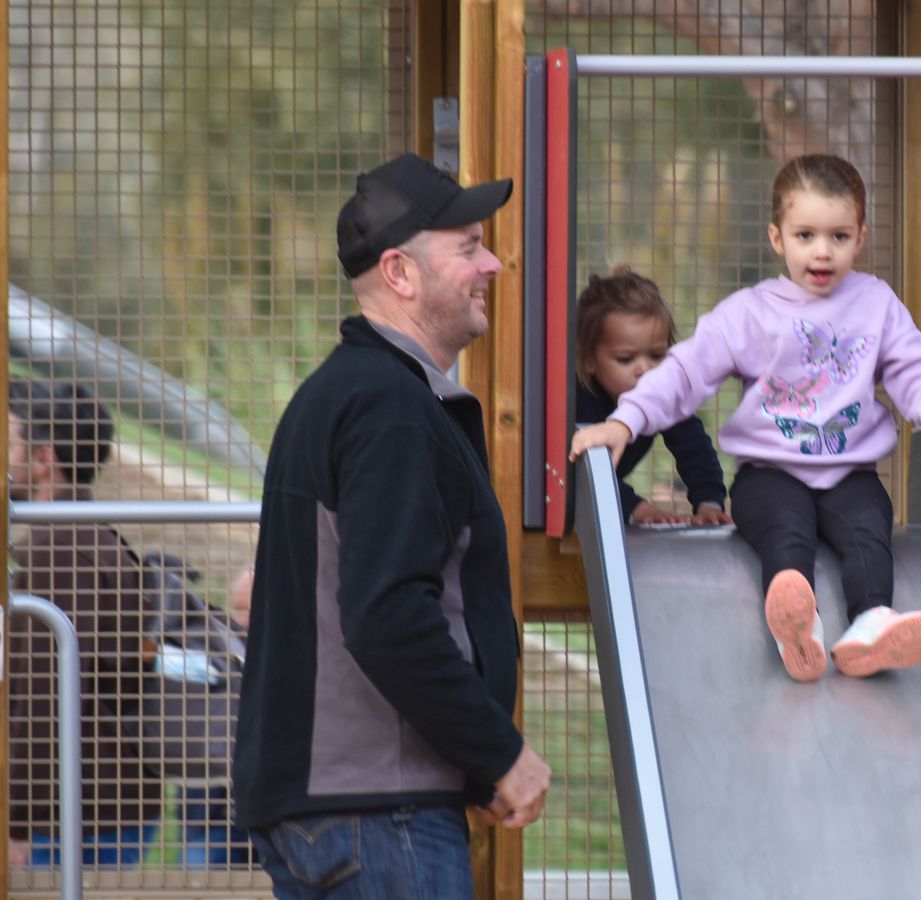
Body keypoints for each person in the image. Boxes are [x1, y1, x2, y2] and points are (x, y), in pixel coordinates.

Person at [232, 152, 551, 899]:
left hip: (336, 812)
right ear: (401, 273)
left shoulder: (342, 393)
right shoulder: (390, 409)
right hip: (379, 816)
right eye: (470, 248)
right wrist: (499, 751)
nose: (495, 265)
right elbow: (386, 617)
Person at [571, 153, 921, 682]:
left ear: (861, 238)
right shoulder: (751, 312)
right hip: (769, 474)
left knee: (868, 529)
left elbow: (915, 372)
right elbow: (686, 370)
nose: (822, 251)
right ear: (777, 237)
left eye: (839, 237)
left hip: (848, 473)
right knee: (784, 531)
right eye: (806, 235)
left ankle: (871, 623)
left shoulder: (876, 304)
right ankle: (797, 625)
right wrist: (626, 420)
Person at [6, 380, 163, 867]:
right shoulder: (94, 535)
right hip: (108, 805)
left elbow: (41, 699)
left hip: (75, 818)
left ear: (42, 459)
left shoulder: (56, 548)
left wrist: (16, 822)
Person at [575, 266, 730, 526]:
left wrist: (709, 502)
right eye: (626, 359)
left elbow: (694, 447)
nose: (645, 369)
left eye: (657, 356)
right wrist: (636, 508)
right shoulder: (581, 403)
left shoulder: (662, 395)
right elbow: (580, 474)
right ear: (589, 361)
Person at [176, 564, 256, 869]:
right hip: (206, 819)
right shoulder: (211, 654)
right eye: (239, 609)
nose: (245, 619)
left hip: (267, 821)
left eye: (253, 608)